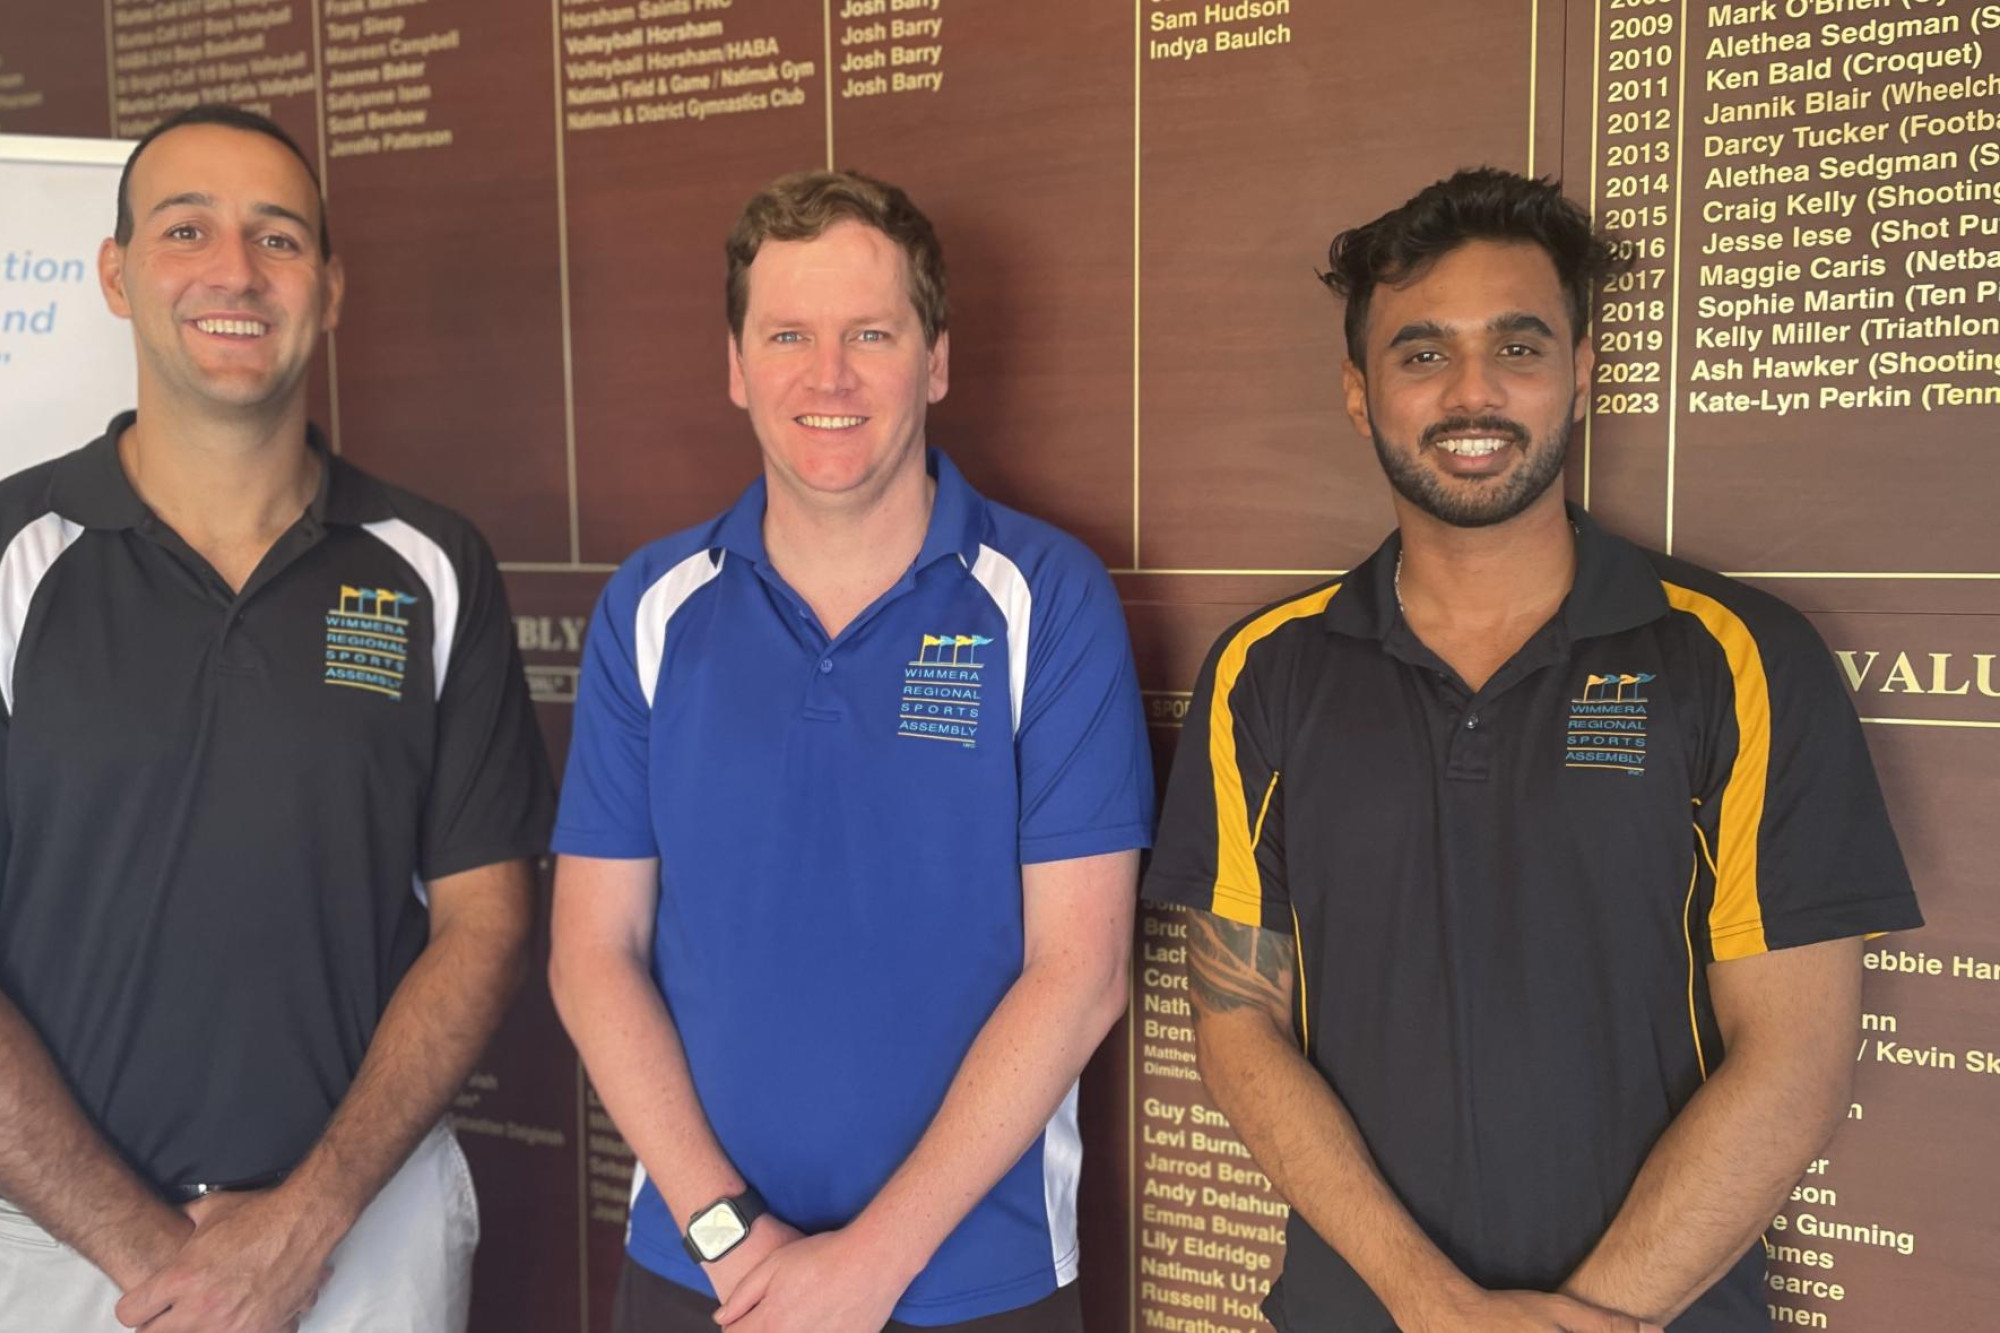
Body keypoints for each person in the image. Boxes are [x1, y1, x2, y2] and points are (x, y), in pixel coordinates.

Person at [1141, 168, 1921, 1333]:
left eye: (1517, 346)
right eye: (1419, 353)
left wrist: (1588, 1315)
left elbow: (1794, 1064)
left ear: (1580, 369)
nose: (1472, 393)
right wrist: (1431, 1305)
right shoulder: (1263, 670)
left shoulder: (1742, 656)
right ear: (1358, 394)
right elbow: (1235, 1026)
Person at [549, 169, 1152, 1333]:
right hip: (704, 1275)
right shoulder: (653, 606)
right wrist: (731, 1235)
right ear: (735, 366)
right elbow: (592, 953)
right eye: (787, 335)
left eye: (869, 334)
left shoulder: (1046, 596)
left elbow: (1079, 973)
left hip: (978, 1280)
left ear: (932, 361)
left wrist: (870, 1263)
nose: (827, 377)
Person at [0, 105, 553, 1333]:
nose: (235, 272)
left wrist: (303, 1224)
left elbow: (485, 920)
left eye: (279, 239)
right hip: (53, 1250)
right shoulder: (11, 558)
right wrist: (156, 1252)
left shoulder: (430, 562)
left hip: (364, 1242)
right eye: (186, 229)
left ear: (331, 287)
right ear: (116, 272)